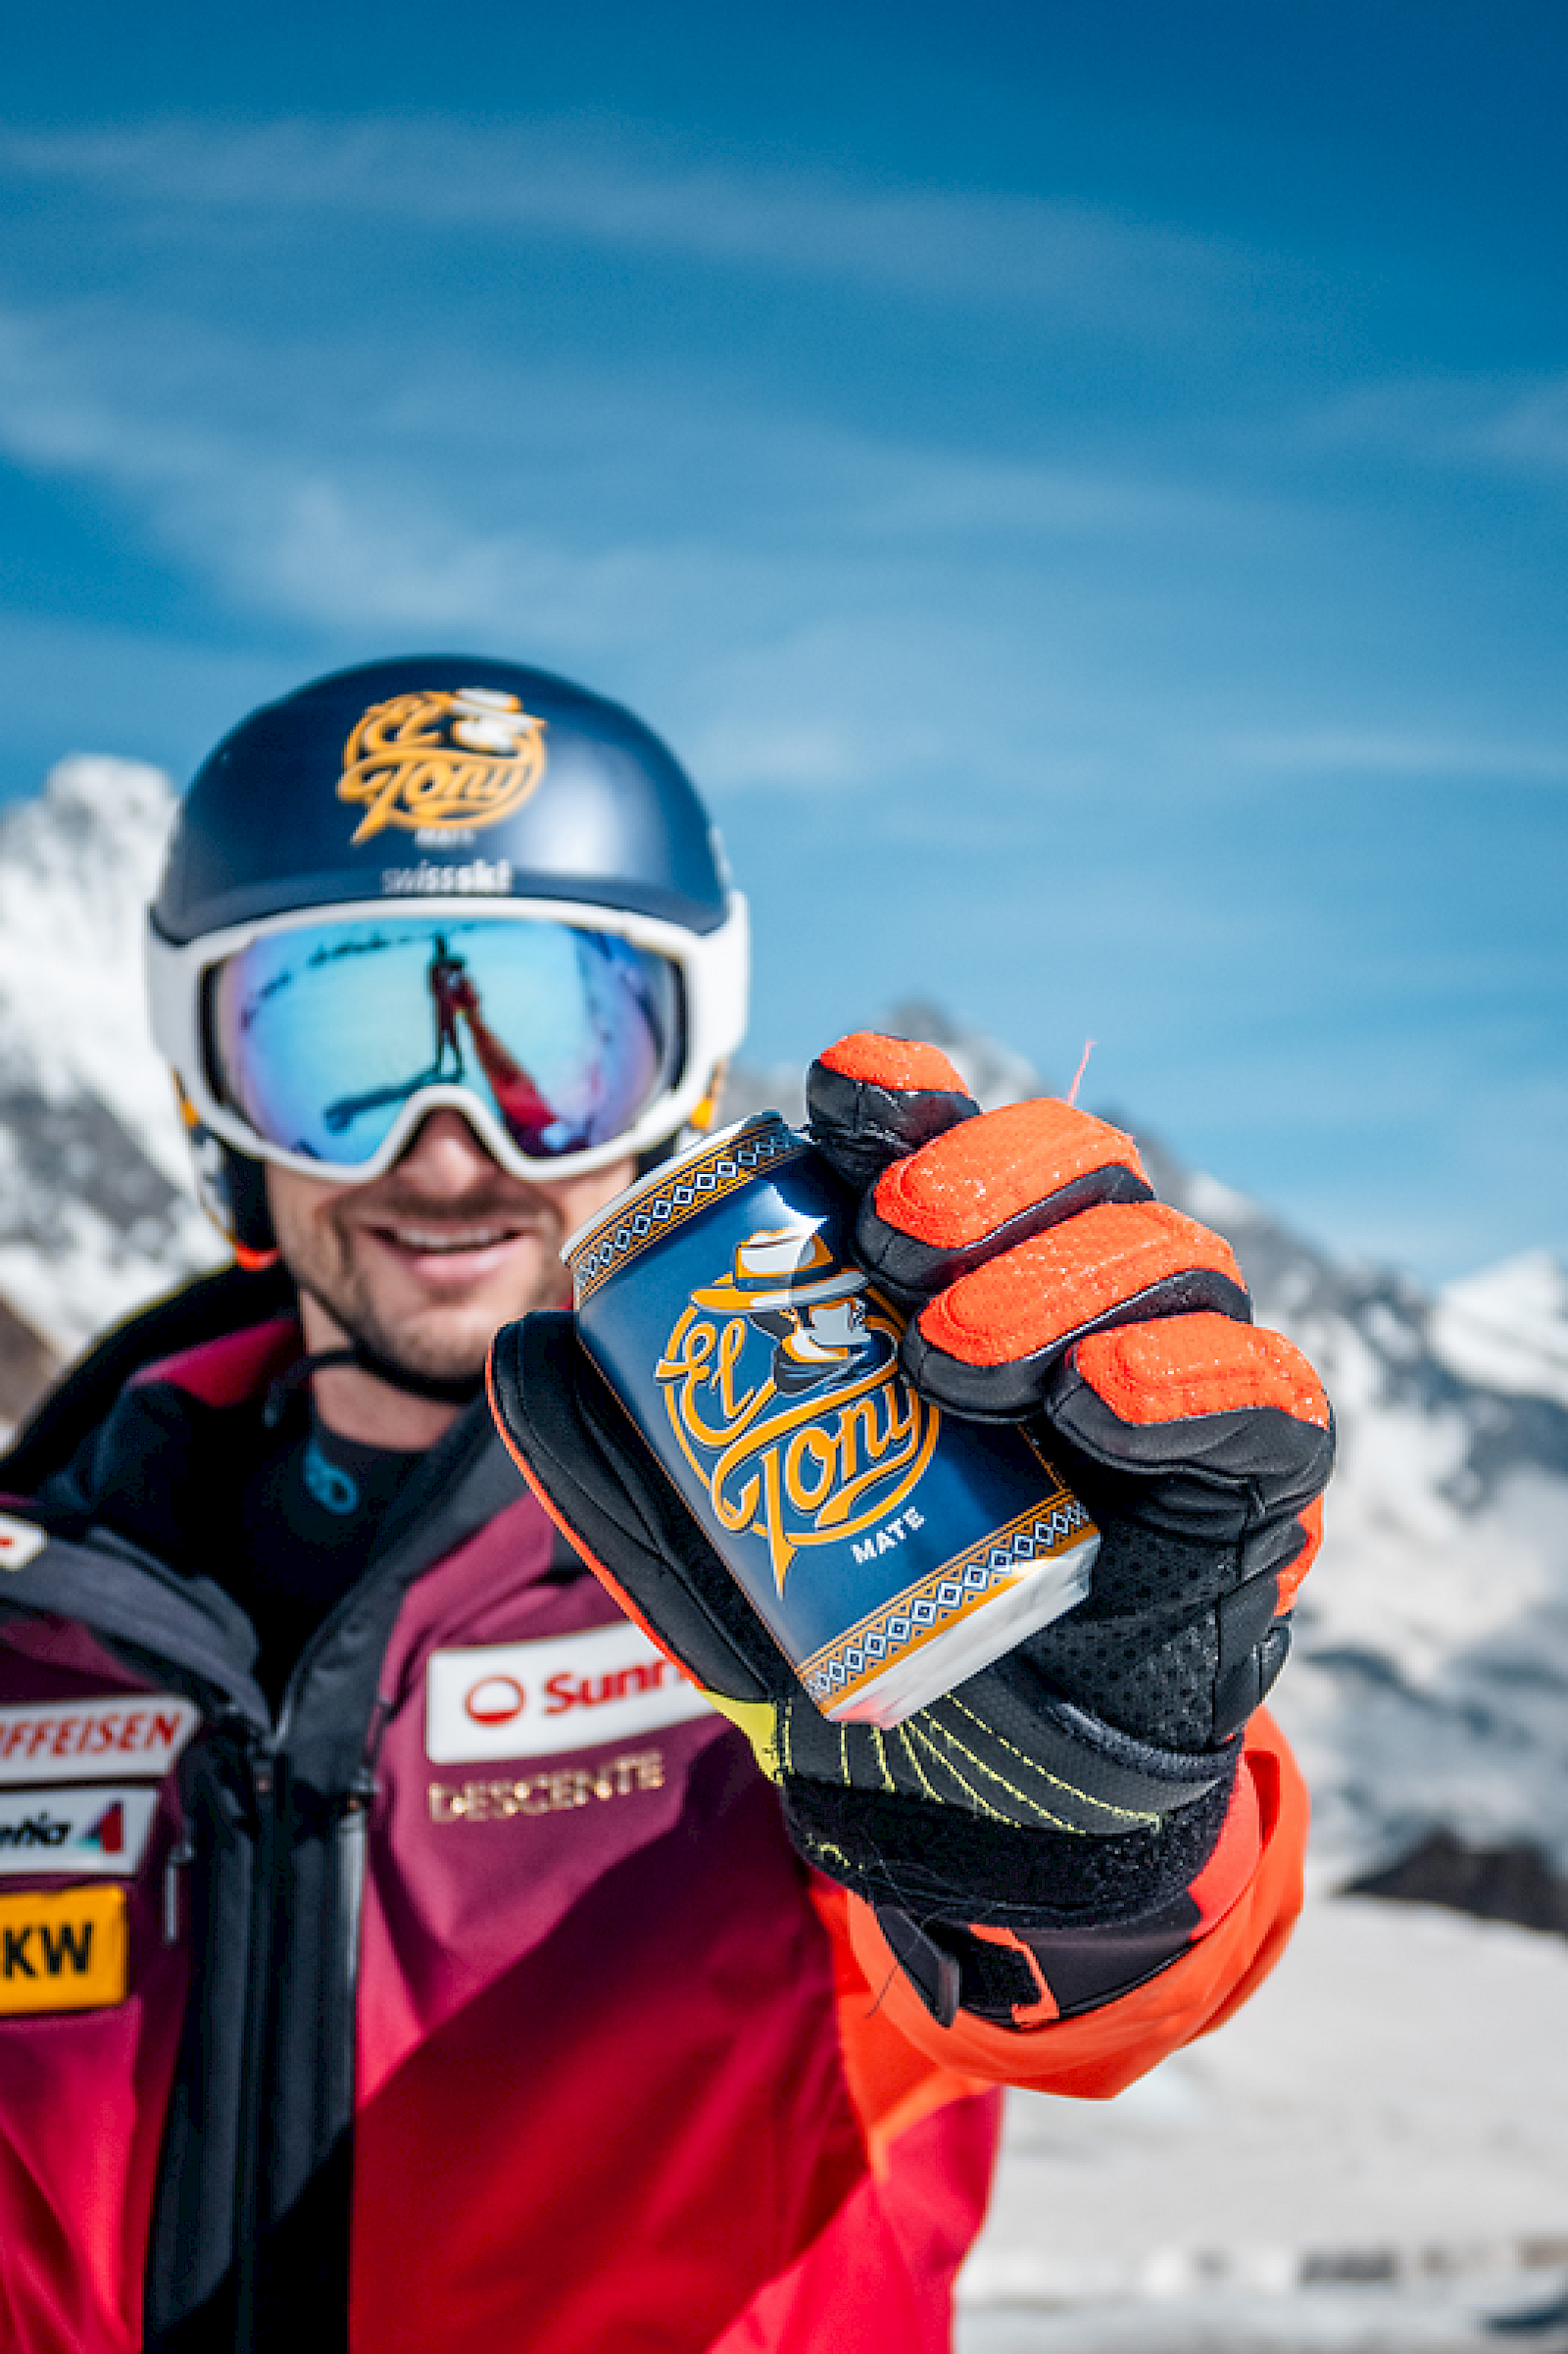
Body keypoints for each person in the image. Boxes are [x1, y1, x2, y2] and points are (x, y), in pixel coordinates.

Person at [0, 657, 1331, 2354]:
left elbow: (1111, 1991)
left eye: (547, 1047)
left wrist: (1103, 1814)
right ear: (217, 1103)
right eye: (340, 1045)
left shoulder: (832, 1545)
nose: (449, 1144)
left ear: (678, 1079)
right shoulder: (37, 1620)